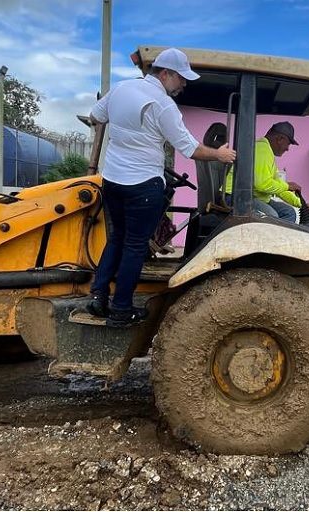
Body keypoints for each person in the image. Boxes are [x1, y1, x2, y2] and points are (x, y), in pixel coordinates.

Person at [86, 48, 236, 327]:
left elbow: (96, 116)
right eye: (181, 78)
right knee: (135, 246)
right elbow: (190, 149)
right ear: (165, 74)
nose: (183, 84)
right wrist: (220, 154)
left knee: (117, 238)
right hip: (143, 185)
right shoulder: (164, 105)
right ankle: (121, 309)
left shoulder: (120, 88)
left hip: (113, 181)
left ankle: (98, 296)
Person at [224, 121, 309, 226]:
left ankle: (279, 236)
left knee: (289, 212)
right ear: (280, 139)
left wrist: (301, 204)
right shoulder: (262, 150)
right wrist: (287, 186)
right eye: (288, 144)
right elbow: (262, 184)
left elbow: (278, 188)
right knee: (272, 216)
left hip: (250, 197)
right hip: (235, 196)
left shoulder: (267, 152)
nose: (287, 149)